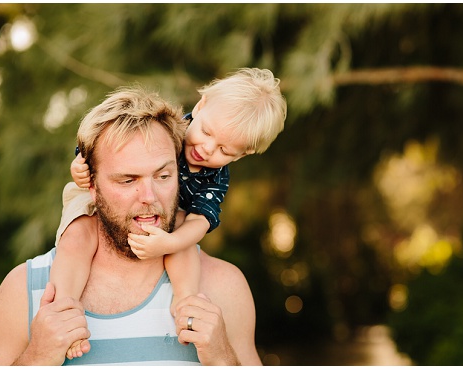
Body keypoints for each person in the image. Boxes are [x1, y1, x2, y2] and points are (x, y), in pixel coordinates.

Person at [0, 87, 262, 365]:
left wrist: (221, 357)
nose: (149, 197)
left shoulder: (225, 288)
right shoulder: (23, 289)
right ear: (92, 185)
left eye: (164, 175)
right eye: (128, 180)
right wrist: (38, 355)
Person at [50, 68, 286, 358]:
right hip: (91, 193)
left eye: (224, 149)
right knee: (76, 236)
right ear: (200, 107)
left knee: (184, 235)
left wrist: (170, 243)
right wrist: (80, 165)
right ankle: (63, 307)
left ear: (241, 155)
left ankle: (186, 301)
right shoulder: (168, 129)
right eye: (207, 132)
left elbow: (201, 220)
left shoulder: (215, 179)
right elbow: (106, 144)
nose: (206, 148)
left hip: (171, 215)